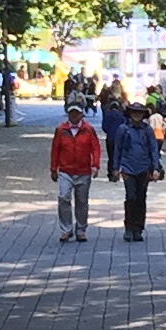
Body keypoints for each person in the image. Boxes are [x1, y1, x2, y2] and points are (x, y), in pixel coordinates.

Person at [107, 98, 164, 241]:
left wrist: (155, 168)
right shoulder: (123, 129)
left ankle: (138, 228)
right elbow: (117, 149)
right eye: (134, 112)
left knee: (141, 197)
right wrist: (115, 168)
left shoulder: (147, 130)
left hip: (144, 168)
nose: (137, 115)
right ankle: (129, 227)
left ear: (143, 114)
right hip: (128, 168)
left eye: (139, 113)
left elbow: (153, 149)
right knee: (130, 197)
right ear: (130, 114)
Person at [49, 102, 103, 242]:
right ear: (68, 114)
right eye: (71, 112)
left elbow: (95, 148)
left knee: (82, 201)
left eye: (77, 113)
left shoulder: (88, 129)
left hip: (83, 171)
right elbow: (55, 149)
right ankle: (66, 230)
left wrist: (95, 165)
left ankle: (81, 230)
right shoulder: (61, 130)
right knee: (63, 197)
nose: (74, 115)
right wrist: (54, 168)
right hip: (65, 170)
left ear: (81, 114)